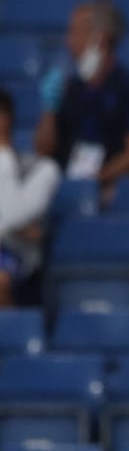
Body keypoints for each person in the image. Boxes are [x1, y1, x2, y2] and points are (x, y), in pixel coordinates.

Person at [34, 0, 129, 196]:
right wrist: (49, 110)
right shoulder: (69, 89)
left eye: (77, 33)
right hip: (66, 188)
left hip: (110, 189)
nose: (69, 42)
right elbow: (43, 150)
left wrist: (97, 180)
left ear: (100, 38)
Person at [0, 88, 60, 307]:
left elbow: (16, 217)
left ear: (5, 120)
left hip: (17, 255)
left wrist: (3, 153)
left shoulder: (42, 169)